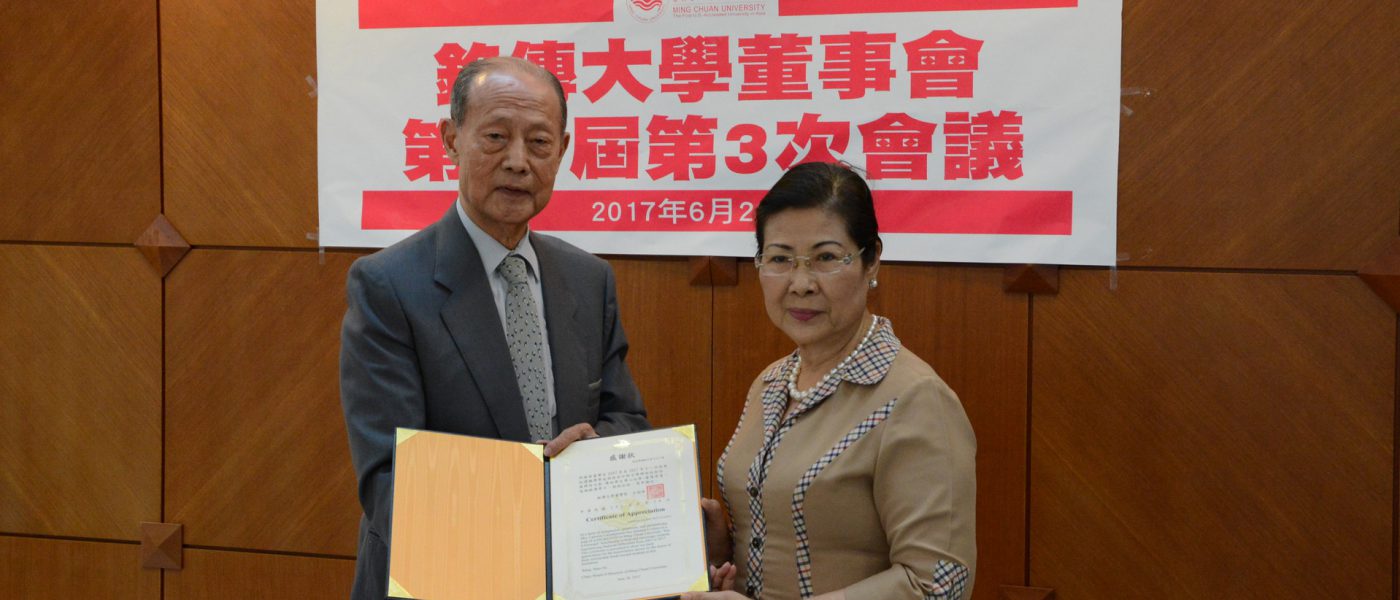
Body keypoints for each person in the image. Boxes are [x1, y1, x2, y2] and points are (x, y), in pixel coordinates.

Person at [339, 57, 649, 599]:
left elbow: (627, 420)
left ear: (563, 150)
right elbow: (390, 478)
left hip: (569, 575)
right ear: (451, 139)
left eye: (539, 143)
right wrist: (530, 498)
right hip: (443, 577)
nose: (518, 162)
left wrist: (592, 450)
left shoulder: (588, 279)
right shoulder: (388, 285)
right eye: (496, 137)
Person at [687, 163, 977, 600]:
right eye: (780, 258)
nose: (801, 283)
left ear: (871, 260)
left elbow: (938, 584)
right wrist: (721, 550)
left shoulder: (917, 398)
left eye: (825, 258)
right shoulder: (771, 382)